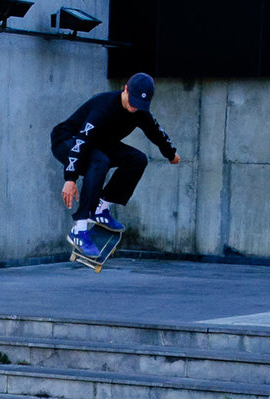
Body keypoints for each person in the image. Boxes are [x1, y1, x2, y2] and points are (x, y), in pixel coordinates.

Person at [51, 72, 180, 260]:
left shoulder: (139, 112)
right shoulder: (103, 108)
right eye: (132, 101)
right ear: (125, 89)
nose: (134, 108)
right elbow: (81, 141)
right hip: (67, 141)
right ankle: (79, 229)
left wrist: (171, 154)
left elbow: (156, 132)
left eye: (139, 105)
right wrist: (70, 178)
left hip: (97, 144)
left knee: (137, 159)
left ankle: (101, 209)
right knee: (100, 161)